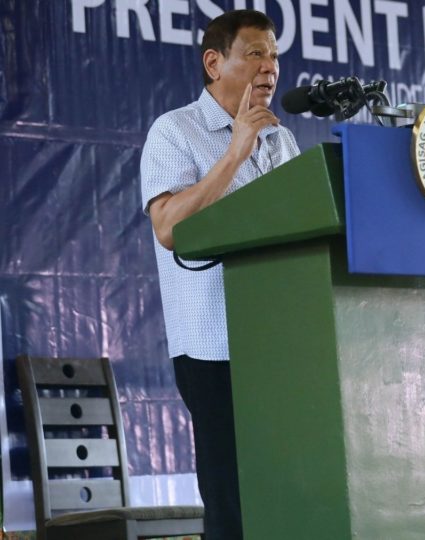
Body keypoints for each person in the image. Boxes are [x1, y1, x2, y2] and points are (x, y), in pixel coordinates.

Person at [139, 9, 300, 539]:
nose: (270, 67)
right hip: (215, 348)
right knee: (232, 505)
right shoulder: (175, 130)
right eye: (255, 53)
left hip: (283, 346)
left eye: (274, 55)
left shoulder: (281, 140)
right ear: (214, 63)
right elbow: (168, 226)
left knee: (287, 494)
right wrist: (235, 151)